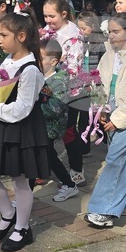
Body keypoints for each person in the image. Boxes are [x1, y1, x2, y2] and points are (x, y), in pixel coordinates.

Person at [0, 13, 50, 252]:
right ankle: (8, 213)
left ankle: (22, 227)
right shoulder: (7, 60)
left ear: (22, 36)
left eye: (4, 35)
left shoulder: (30, 70)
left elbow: (23, 108)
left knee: (21, 180)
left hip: (21, 129)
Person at [84, 13, 126, 229]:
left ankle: (103, 209)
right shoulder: (109, 55)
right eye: (110, 32)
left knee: (115, 159)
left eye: (116, 32)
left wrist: (118, 119)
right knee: (125, 157)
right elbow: (103, 83)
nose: (111, 36)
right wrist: (101, 108)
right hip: (110, 111)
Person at [39, 38, 80, 201]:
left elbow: (56, 108)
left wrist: (33, 108)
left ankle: (70, 185)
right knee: (45, 155)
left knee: (48, 155)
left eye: (41, 57)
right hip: (41, 125)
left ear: (53, 61)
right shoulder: (40, 77)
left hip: (51, 127)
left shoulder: (59, 81)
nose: (37, 60)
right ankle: (69, 184)